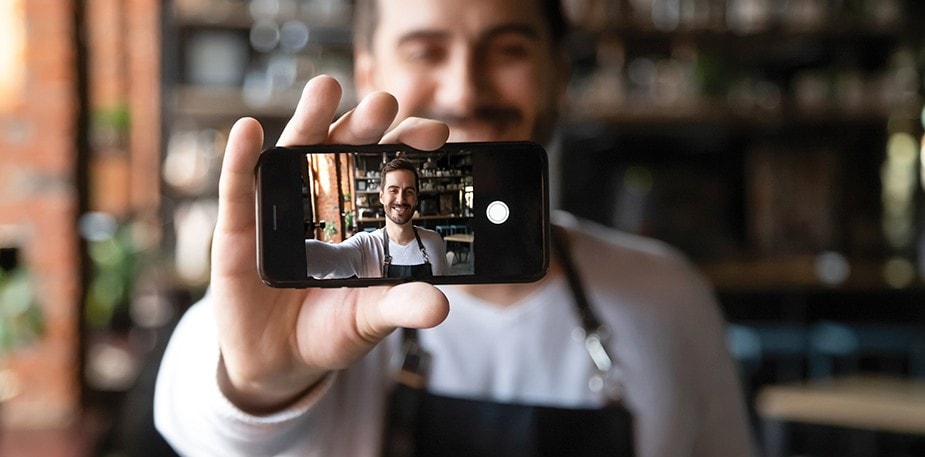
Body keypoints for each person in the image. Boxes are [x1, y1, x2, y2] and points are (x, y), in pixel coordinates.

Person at [154, 0, 756, 456]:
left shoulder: (670, 293)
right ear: (368, 68)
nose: (466, 89)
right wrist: (258, 385)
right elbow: (193, 419)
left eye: (509, 49)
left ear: (557, 71)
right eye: (425, 49)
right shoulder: (312, 293)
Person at [304, 157, 449, 280]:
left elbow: (444, 292)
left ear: (416, 198)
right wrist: (290, 250)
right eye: (393, 190)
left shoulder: (434, 241)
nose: (401, 199)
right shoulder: (366, 245)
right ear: (381, 196)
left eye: (409, 192)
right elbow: (331, 258)